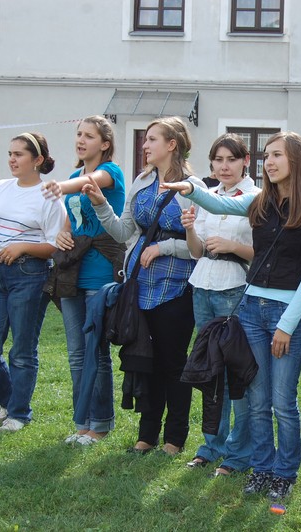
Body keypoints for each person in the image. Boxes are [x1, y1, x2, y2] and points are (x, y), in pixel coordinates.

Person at [163, 131, 301, 502]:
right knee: (258, 399)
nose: (270, 161)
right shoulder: (259, 200)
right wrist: (189, 187)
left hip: (286, 314)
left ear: (297, 160)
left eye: (278, 155)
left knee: (283, 403)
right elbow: (218, 203)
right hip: (251, 310)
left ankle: (284, 473)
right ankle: (262, 469)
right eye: (267, 155)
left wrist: (287, 324)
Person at [84, 116, 204, 456]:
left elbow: (201, 245)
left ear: (172, 145)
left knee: (173, 363)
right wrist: (100, 204)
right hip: (140, 286)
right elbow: (124, 232)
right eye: (145, 139)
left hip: (176, 287)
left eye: (152, 139)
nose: (145, 144)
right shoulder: (142, 181)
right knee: (145, 360)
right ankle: (147, 434)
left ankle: (175, 438)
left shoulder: (193, 188)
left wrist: (164, 247)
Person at [0, 132, 66, 432]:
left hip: (29, 274)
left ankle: (18, 413)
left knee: (22, 350)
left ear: (38, 160)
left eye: (19, 154)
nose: (12, 159)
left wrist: (22, 247)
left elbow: (54, 246)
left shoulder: (49, 195)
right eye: (10, 154)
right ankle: (8, 402)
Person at [41, 116, 126, 445]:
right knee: (77, 353)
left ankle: (100, 424)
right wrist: (62, 233)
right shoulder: (75, 176)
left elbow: (92, 182)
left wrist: (61, 186)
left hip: (99, 275)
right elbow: (71, 216)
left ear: (104, 144)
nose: (81, 140)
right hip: (71, 274)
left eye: (89, 136)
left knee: (95, 352)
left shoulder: (110, 172)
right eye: (79, 134)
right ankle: (82, 423)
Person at [181, 133, 259, 477]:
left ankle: (239, 453)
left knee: (236, 373)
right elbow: (196, 252)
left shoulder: (256, 198)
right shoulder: (209, 196)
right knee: (210, 369)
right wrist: (189, 230)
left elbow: (265, 253)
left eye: (231, 159)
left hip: (235, 287)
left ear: (245, 161)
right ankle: (211, 446)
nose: (224, 166)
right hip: (202, 286)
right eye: (218, 160)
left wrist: (232, 246)